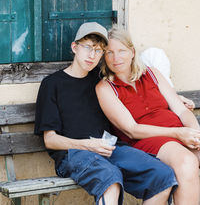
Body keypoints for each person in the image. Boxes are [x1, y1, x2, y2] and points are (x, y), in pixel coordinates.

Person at [34, 22, 177, 205]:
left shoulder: (102, 82)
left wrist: (177, 99)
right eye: (88, 47)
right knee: (110, 179)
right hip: (75, 154)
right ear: (74, 47)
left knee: (163, 176)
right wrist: (88, 145)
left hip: (110, 149)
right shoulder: (52, 84)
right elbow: (50, 140)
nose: (92, 55)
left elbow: (140, 91)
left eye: (99, 50)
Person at [96, 25, 200, 205]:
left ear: (132, 52)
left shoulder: (152, 73)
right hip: (148, 140)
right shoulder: (106, 88)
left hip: (178, 132)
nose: (116, 58)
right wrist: (178, 133)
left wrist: (194, 132)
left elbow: (181, 110)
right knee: (186, 162)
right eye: (109, 52)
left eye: (121, 51)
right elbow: (132, 130)